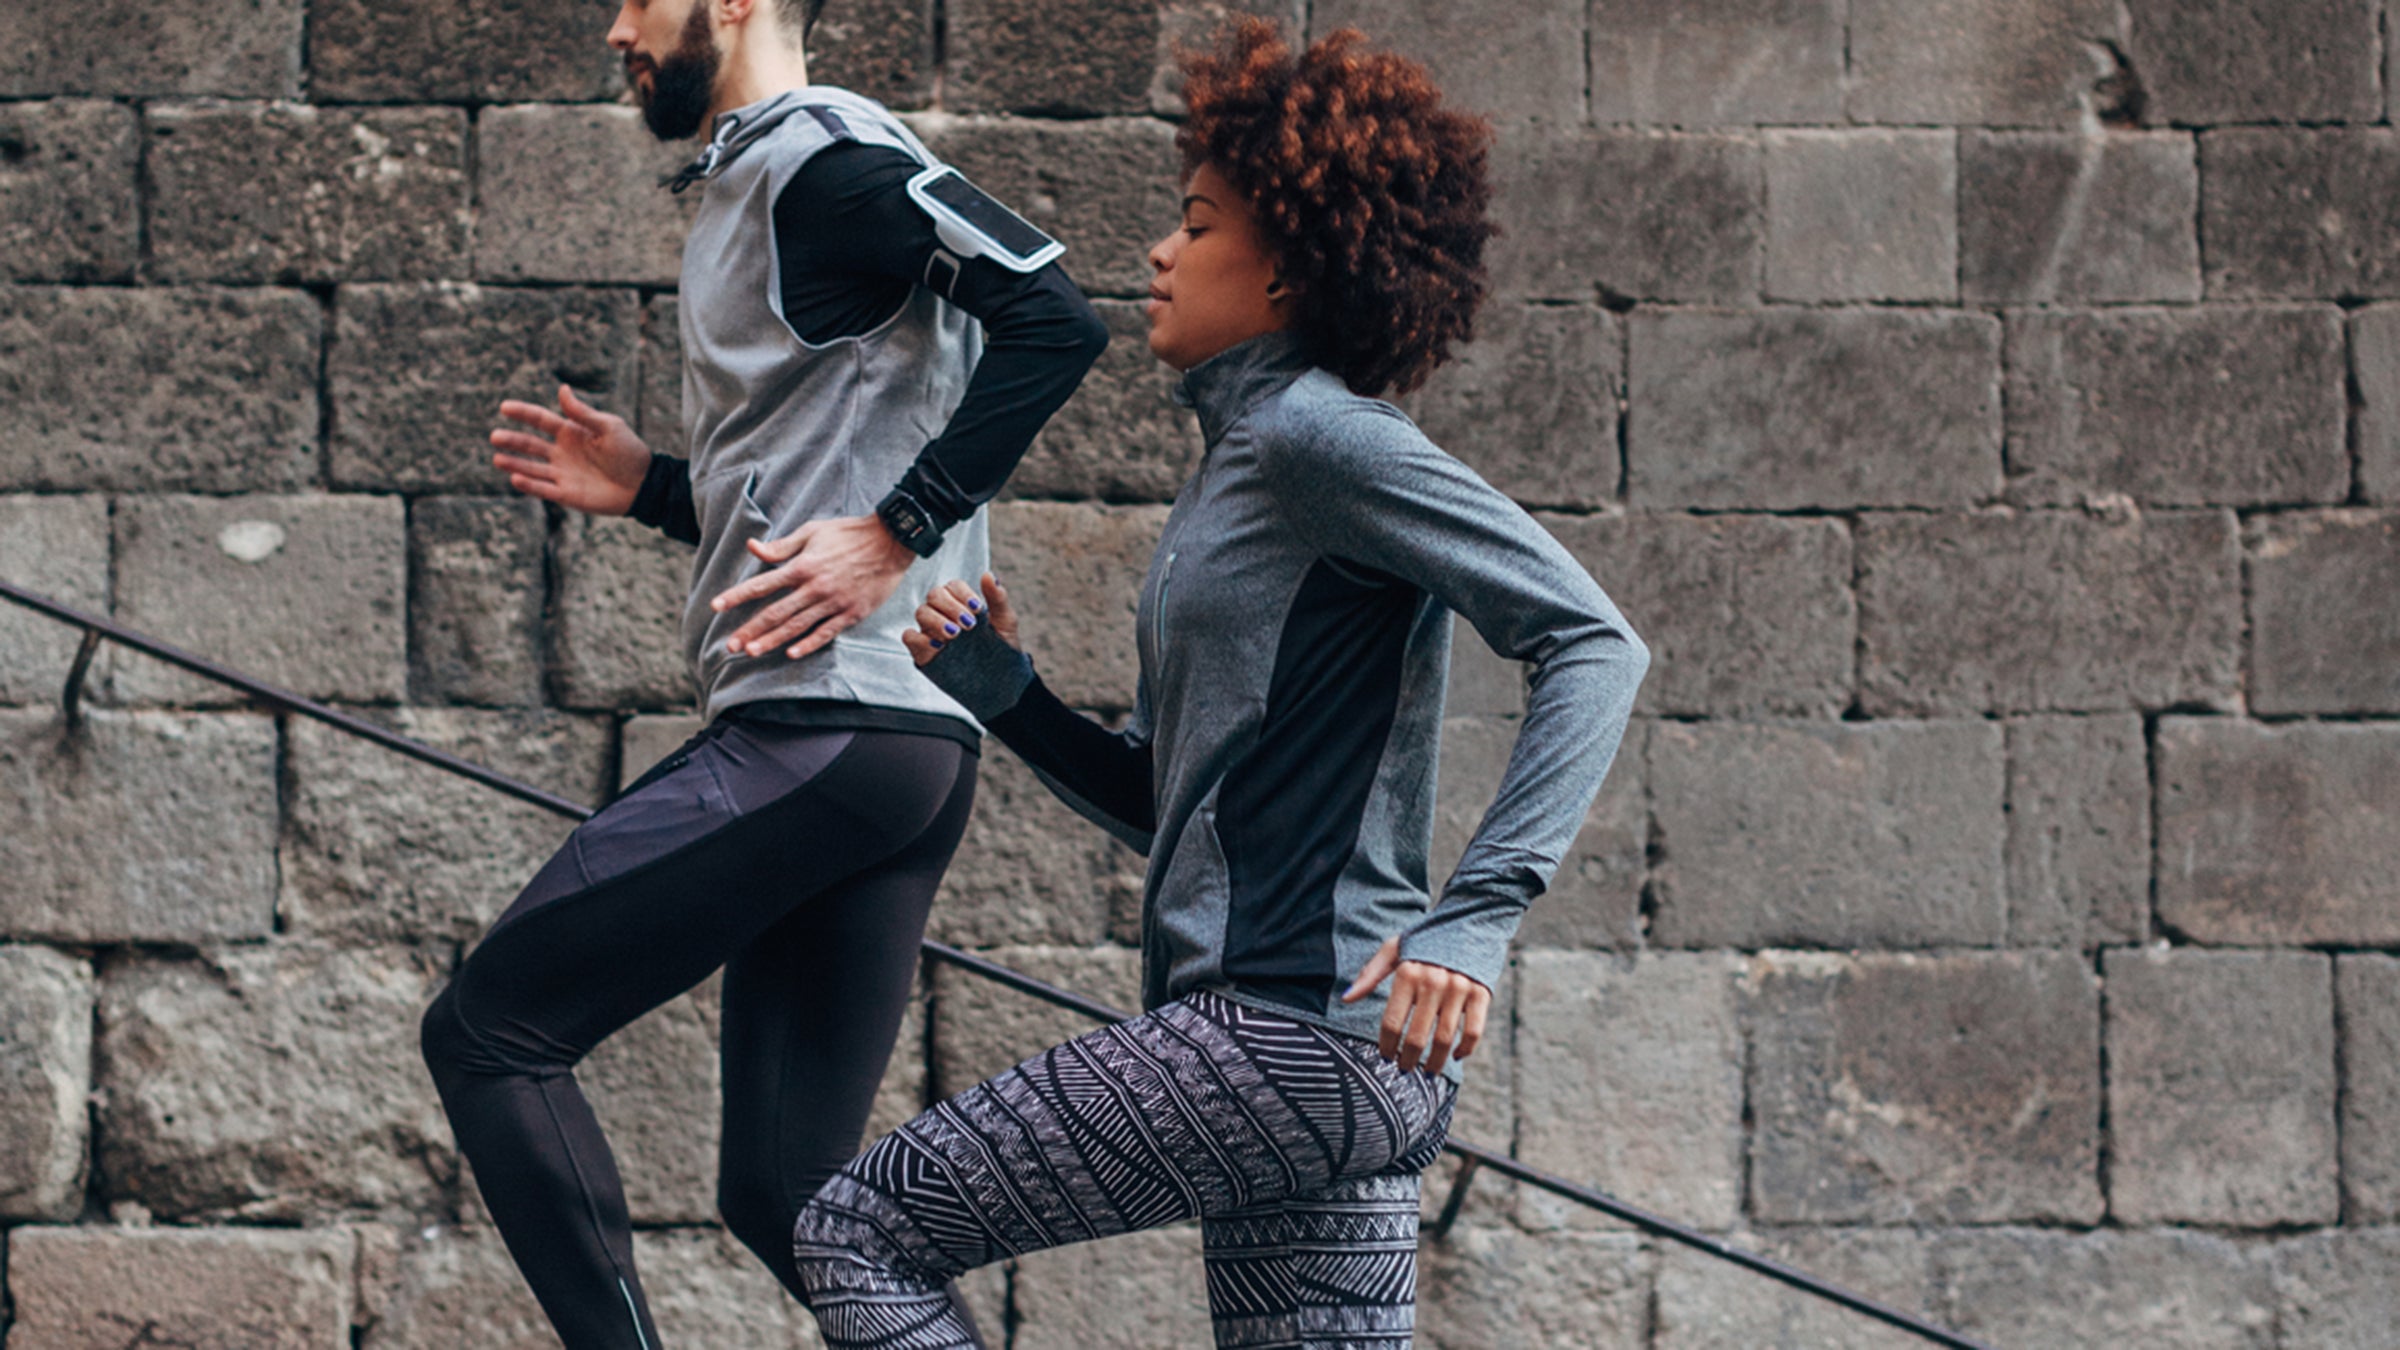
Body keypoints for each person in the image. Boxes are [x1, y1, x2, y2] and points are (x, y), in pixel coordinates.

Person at [788, 18, 1650, 1349]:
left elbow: (1593, 641)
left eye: (1198, 223)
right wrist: (1008, 693)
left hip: (1285, 1036)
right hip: (1324, 1065)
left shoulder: (1323, 438)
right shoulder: (1241, 469)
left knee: (859, 1228)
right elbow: (1173, 803)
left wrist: (1474, 919)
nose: (1160, 251)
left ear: (1294, 268)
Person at [415, 0, 1108, 1341]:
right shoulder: (757, 181)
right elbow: (818, 461)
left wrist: (899, 531)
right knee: (791, 1190)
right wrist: (656, 489)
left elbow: (1054, 315)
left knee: (492, 1027)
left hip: (826, 732)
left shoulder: (833, 165)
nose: (616, 26)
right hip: (888, 754)